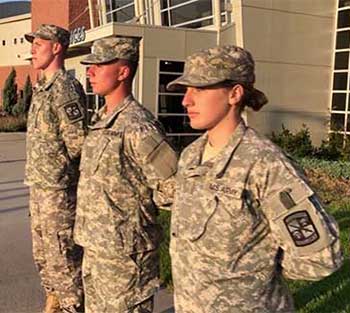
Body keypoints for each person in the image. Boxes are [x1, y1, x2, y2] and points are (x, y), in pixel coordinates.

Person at [166, 45, 343, 313]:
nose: (186, 101)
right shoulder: (191, 156)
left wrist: (259, 270)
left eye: (199, 89)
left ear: (235, 94)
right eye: (186, 90)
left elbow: (321, 257)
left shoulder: (265, 163)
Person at [74, 37, 177, 313]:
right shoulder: (101, 121)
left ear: (123, 72)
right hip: (96, 247)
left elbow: (172, 187)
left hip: (125, 256)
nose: (90, 72)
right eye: (89, 66)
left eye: (100, 65)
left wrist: (136, 218)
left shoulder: (138, 126)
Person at [24, 24, 87, 313]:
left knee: (63, 259)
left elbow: (78, 145)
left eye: (39, 43)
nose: (33, 49)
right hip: (39, 187)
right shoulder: (41, 89)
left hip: (58, 193)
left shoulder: (65, 88)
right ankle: (54, 304)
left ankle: (73, 307)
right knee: (44, 257)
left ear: (57, 47)